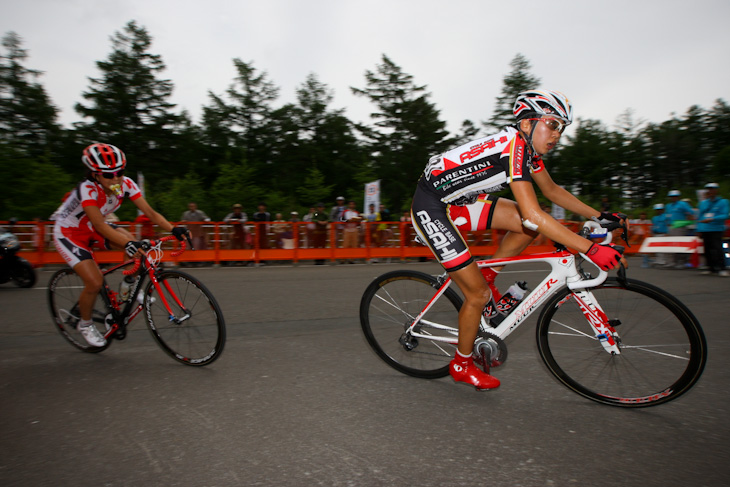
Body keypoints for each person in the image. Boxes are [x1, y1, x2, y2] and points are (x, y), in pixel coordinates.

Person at [410, 90, 625, 391]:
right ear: (527, 124)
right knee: (478, 295)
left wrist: (599, 215)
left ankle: (488, 273)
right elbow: (534, 213)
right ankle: (461, 363)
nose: (557, 134)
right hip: (431, 205)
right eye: (552, 124)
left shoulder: (527, 150)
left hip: (460, 201)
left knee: (529, 228)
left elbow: (552, 192)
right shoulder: (513, 148)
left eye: (561, 128)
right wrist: (589, 247)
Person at [52, 143, 189, 347]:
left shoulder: (125, 183)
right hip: (70, 233)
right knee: (95, 282)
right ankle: (85, 324)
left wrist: (173, 228)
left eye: (120, 172)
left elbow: (149, 213)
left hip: (94, 227)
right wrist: (128, 243)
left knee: (138, 251)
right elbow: (99, 223)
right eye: (109, 174)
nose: (116, 178)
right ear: (95, 174)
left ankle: (128, 285)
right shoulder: (87, 188)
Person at [696, 183, 729, 277]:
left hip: (716, 229)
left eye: (712, 189)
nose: (710, 191)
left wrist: (713, 219)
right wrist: (699, 229)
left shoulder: (723, 202)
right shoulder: (703, 203)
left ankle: (722, 268)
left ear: (717, 190)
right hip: (705, 229)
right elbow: (699, 217)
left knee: (718, 248)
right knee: (707, 249)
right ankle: (711, 267)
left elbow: (725, 215)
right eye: (709, 189)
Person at [665, 190, 695, 269]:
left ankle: (682, 262)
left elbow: (691, 212)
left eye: (675, 196)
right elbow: (668, 216)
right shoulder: (669, 206)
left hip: (680, 226)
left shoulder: (682, 204)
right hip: (671, 226)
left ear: (678, 197)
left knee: (680, 244)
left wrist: (687, 220)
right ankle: (674, 262)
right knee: (672, 245)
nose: (673, 198)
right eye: (671, 197)